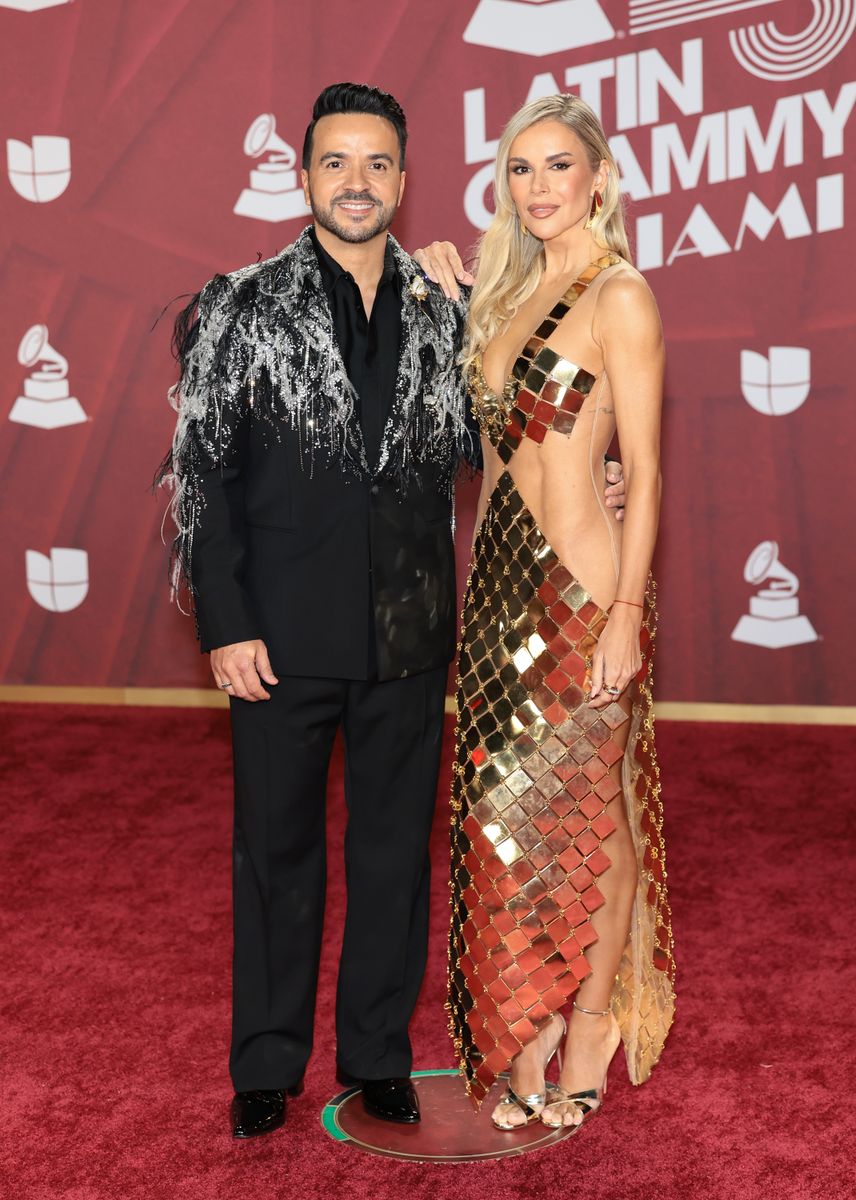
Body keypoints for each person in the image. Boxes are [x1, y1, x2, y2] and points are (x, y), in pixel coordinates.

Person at [159, 81, 628, 1141]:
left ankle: (375, 1055)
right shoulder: (237, 303)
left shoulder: (446, 309)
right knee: (275, 856)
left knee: (389, 858)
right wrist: (226, 626)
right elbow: (202, 481)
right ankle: (267, 1063)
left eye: (377, 164)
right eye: (337, 162)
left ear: (404, 181)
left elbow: (497, 440)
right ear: (305, 173)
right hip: (273, 643)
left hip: (411, 637)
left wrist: (582, 477)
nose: (357, 182)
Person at [443, 93, 676, 1132]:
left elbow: (647, 468)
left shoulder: (619, 294)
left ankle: (588, 1023)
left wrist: (624, 607)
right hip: (500, 595)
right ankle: (528, 1018)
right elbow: (498, 464)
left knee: (594, 813)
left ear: (597, 178)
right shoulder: (502, 299)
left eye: (557, 167)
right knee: (510, 821)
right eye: (520, 170)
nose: (538, 187)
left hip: (586, 591)